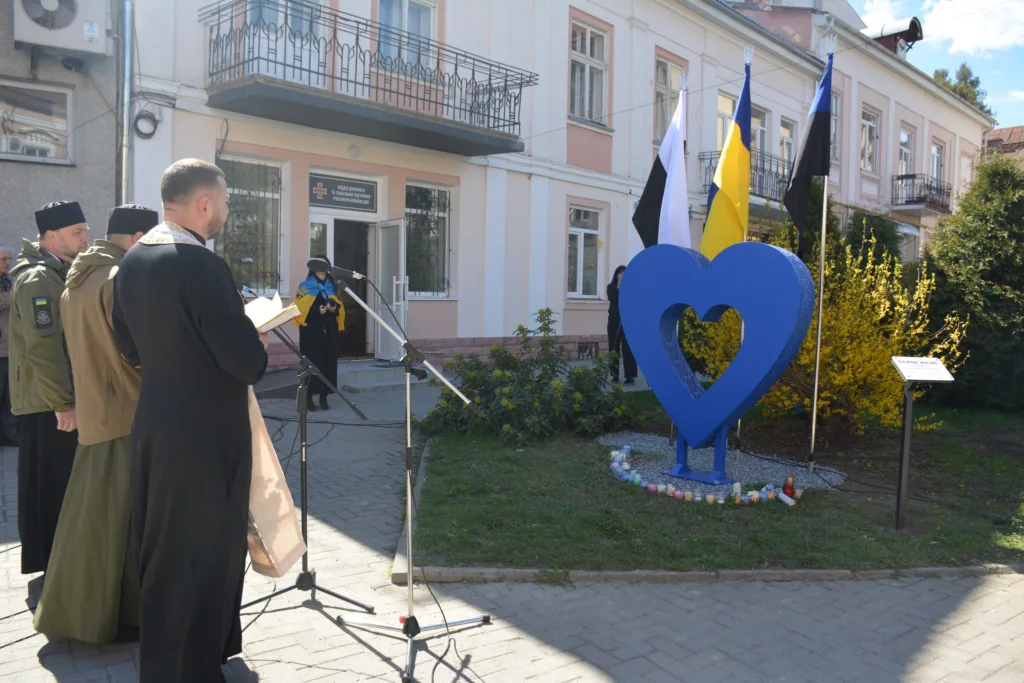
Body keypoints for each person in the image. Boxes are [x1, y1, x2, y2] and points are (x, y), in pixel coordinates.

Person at [112, 159, 268, 683]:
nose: (225, 211)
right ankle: (193, 670)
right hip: (206, 437)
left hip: (156, 425)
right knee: (205, 555)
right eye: (224, 202)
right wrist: (255, 334)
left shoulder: (132, 260)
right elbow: (245, 363)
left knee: (163, 551)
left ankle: (166, 664)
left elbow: (129, 346)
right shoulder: (201, 264)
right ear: (203, 204)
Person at [32, 205, 159, 644]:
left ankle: (77, 614)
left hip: (98, 413)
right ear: (138, 237)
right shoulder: (120, 278)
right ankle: (116, 617)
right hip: (126, 412)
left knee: (92, 521)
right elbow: (141, 350)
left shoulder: (77, 280)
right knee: (121, 528)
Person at [10, 201, 89, 576]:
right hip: (46, 403)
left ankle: (57, 562)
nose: (85, 239)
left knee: (56, 483)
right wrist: (64, 403)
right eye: (78, 232)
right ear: (51, 236)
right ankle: (51, 567)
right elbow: (43, 347)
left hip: (52, 399)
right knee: (47, 485)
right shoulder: (39, 278)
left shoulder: (58, 272)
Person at [294, 256, 344, 411]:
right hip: (311, 332)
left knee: (327, 364)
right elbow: (299, 310)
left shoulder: (332, 286)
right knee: (311, 365)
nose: (321, 272)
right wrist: (317, 311)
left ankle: (324, 397)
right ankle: (308, 399)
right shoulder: (305, 286)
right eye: (318, 268)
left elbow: (339, 308)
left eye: (324, 268)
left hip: (328, 331)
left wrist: (333, 310)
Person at [607, 264, 637, 385]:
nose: (621, 275)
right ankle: (614, 375)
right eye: (620, 273)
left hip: (627, 320)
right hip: (614, 319)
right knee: (613, 348)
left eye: (624, 273)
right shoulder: (611, 287)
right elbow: (612, 298)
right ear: (616, 275)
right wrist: (619, 286)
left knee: (628, 349)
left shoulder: (631, 288)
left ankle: (629, 376)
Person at [0, 244, 18, 447]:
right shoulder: (12, 288)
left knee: (10, 397)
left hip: (10, 349)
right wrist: (13, 296)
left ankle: (10, 435)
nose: (8, 263)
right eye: (3, 259)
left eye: (9, 259)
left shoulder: (8, 282)